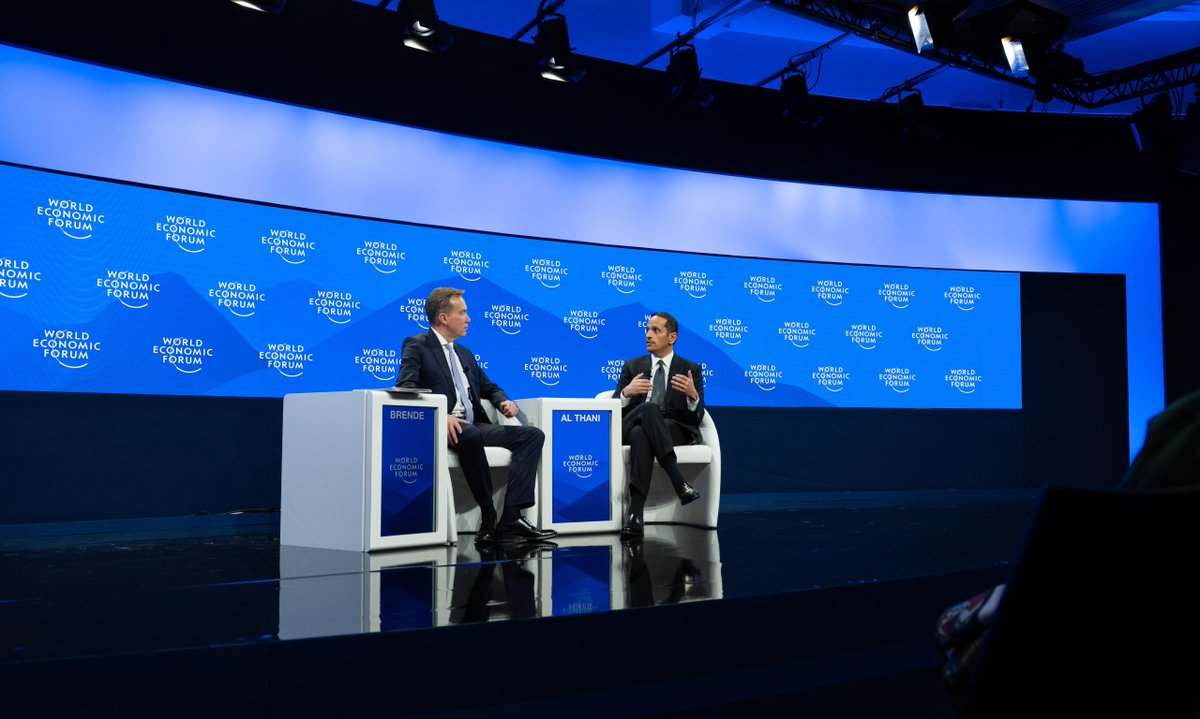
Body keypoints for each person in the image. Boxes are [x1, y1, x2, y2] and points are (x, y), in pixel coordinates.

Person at [395, 287, 557, 544]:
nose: (469, 319)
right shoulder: (417, 345)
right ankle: (488, 513)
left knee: (532, 436)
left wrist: (503, 401)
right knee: (467, 433)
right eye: (463, 313)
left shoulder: (464, 353)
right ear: (443, 318)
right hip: (442, 427)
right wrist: (441, 415)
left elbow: (489, 386)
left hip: (475, 424)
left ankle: (512, 517)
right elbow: (407, 388)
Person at [611, 311, 705, 537]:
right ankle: (679, 481)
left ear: (672, 337)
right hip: (633, 420)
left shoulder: (690, 369)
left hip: (671, 429)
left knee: (640, 436)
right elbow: (612, 410)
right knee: (648, 410)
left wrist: (693, 397)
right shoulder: (633, 367)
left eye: (655, 330)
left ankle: (635, 514)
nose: (648, 335)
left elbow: (697, 417)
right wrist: (626, 393)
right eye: (647, 330)